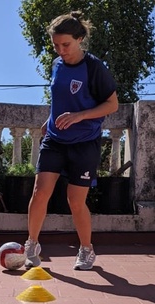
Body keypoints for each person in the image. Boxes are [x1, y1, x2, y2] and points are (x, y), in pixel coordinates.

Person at [24, 11, 118, 270]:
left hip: (85, 142)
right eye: (56, 45)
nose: (60, 50)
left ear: (79, 39)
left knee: (75, 201)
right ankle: (32, 244)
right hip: (54, 139)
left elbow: (112, 104)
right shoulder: (56, 65)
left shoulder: (94, 67)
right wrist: (50, 119)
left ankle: (86, 249)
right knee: (40, 192)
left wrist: (80, 116)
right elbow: (60, 97)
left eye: (65, 44)